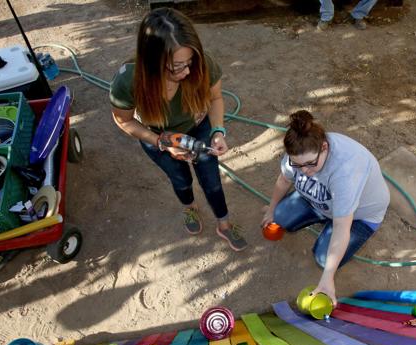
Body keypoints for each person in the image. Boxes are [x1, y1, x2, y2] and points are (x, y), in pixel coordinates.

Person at [110, 8, 247, 251]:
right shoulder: (127, 81)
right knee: (180, 179)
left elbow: (215, 99)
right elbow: (124, 120)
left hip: (199, 127)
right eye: (176, 66)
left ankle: (223, 224)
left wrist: (217, 131)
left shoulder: (202, 64)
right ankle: (190, 208)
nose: (187, 71)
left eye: (190, 62)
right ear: (152, 62)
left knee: (211, 179)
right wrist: (160, 142)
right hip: (156, 136)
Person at [262, 111, 388, 304]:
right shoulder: (300, 150)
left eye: (310, 164)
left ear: (324, 147)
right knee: (279, 216)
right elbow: (284, 179)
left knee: (323, 260)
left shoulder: (345, 172)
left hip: (359, 217)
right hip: (321, 201)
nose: (304, 171)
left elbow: (341, 227)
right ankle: (321, 215)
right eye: (298, 165)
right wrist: (271, 209)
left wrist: (327, 279)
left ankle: (330, 224)